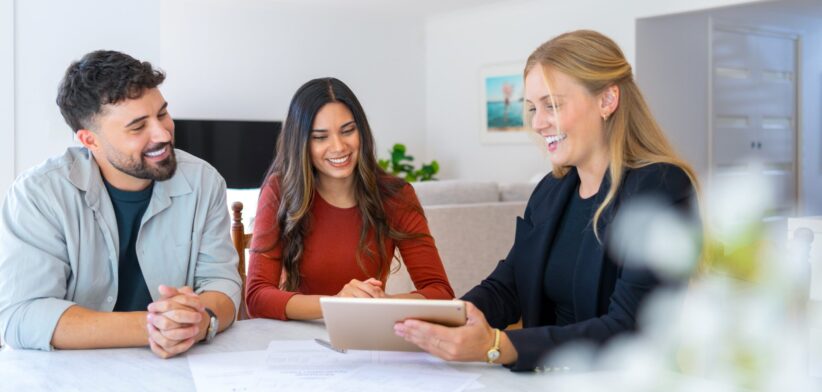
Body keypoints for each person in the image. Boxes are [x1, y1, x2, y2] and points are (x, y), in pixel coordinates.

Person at [394, 30, 701, 371]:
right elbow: (508, 284)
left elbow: (631, 328)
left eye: (552, 104)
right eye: (532, 108)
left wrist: (498, 345)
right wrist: (444, 321)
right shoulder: (550, 191)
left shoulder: (661, 187)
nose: (538, 123)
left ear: (607, 100)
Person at [0, 50, 241, 358]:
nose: (163, 133)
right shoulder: (38, 194)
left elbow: (221, 284)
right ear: (90, 141)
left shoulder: (203, 181)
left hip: (176, 367)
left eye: (162, 113)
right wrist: (155, 326)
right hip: (71, 373)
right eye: (138, 127)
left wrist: (201, 318)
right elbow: (22, 316)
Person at [246, 77, 454, 320]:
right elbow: (257, 297)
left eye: (348, 130)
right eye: (320, 137)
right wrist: (335, 303)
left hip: (367, 334)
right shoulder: (280, 190)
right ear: (301, 143)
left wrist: (382, 303)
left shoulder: (395, 196)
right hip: (300, 338)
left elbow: (441, 293)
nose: (338, 146)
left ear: (361, 131)